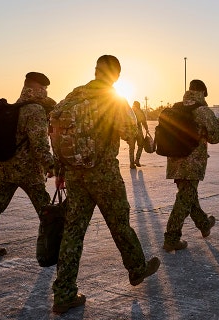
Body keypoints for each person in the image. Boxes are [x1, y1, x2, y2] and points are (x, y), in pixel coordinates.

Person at [51, 55, 159, 313]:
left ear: (96, 71)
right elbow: (130, 134)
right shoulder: (113, 99)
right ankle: (136, 268)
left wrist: (61, 170)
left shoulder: (72, 97)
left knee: (73, 232)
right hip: (104, 175)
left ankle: (64, 293)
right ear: (116, 76)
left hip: (76, 175)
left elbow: (57, 134)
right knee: (119, 223)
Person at [0, 72, 56, 259]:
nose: (45, 92)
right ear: (37, 88)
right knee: (45, 210)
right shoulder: (34, 110)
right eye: (43, 88)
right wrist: (51, 166)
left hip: (3, 167)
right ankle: (54, 246)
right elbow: (39, 145)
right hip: (27, 170)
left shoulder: (13, 107)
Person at [163, 79, 219, 252]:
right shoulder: (202, 110)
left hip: (174, 160)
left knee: (188, 195)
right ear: (203, 92)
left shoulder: (176, 108)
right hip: (192, 162)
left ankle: (204, 223)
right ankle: (171, 237)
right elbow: (215, 137)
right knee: (184, 199)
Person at [128, 101, 149, 169]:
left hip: (131, 131)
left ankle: (131, 163)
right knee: (141, 145)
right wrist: (146, 129)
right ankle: (137, 160)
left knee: (131, 148)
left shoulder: (130, 111)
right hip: (138, 130)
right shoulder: (140, 112)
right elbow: (144, 122)